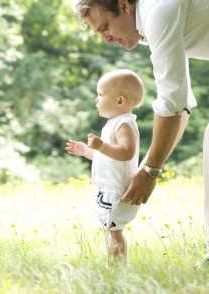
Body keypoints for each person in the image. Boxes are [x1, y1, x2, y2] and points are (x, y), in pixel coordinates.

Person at [74, 0, 209, 266]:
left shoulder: (158, 10)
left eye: (106, 27)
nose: (106, 38)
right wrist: (149, 167)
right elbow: (181, 105)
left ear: (124, 5)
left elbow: (171, 103)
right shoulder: (147, 25)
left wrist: (150, 170)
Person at [66, 69, 144, 263]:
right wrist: (86, 151)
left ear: (120, 100)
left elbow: (127, 152)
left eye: (100, 95)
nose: (96, 100)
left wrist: (101, 145)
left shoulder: (124, 124)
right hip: (107, 189)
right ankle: (113, 263)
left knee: (114, 231)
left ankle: (117, 268)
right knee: (110, 230)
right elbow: (106, 157)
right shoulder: (113, 123)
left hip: (118, 190)